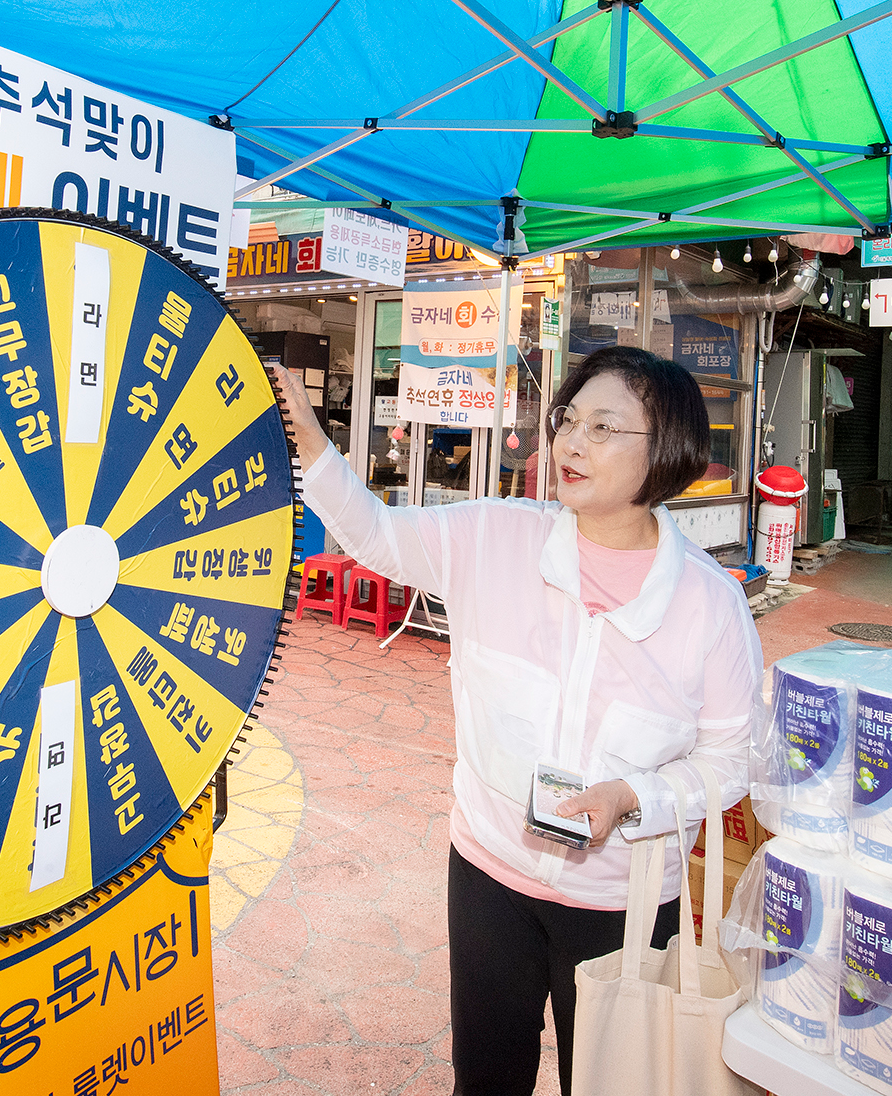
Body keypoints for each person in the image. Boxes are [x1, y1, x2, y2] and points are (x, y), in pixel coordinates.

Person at [271, 347, 762, 1096]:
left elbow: (732, 758)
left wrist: (634, 798)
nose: (570, 442)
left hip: (621, 903)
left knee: (607, 1081)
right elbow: (376, 535)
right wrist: (313, 445)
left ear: (666, 451)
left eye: (603, 427)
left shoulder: (708, 603)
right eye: (568, 419)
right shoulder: (495, 537)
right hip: (488, 874)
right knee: (487, 1078)